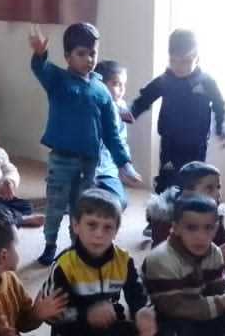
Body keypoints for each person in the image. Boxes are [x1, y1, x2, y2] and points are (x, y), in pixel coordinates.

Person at [43, 189, 183, 336]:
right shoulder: (64, 266)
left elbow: (138, 295)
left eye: (108, 227)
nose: (99, 234)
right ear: (76, 225)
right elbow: (52, 316)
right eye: (92, 225)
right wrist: (86, 315)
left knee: (169, 334)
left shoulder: (123, 260)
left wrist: (142, 313)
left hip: (112, 330)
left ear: (116, 231)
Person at [29, 23, 141, 266]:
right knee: (56, 204)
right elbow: (41, 69)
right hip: (62, 159)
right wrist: (40, 54)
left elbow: (112, 133)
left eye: (92, 53)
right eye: (81, 53)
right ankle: (50, 244)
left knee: (80, 206)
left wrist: (124, 163)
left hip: (89, 163)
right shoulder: (58, 79)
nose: (88, 59)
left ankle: (76, 247)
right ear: (68, 56)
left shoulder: (102, 91)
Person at [143, 194, 225, 336]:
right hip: (167, 314)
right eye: (191, 228)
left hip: (200, 306)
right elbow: (172, 308)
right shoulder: (161, 259)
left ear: (216, 228)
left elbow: (219, 285)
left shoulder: (214, 251)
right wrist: (224, 302)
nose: (201, 236)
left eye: (208, 228)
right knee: (176, 333)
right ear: (175, 228)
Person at [129, 29, 225, 194]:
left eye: (185, 61)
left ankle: (190, 206)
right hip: (170, 142)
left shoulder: (206, 82)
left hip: (196, 143)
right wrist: (130, 113)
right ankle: (162, 205)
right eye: (173, 61)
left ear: (197, 58)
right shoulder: (165, 80)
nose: (179, 66)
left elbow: (220, 106)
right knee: (167, 178)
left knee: (194, 179)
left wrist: (223, 129)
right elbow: (144, 99)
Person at [144, 161, 225, 267]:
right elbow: (170, 263)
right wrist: (217, 258)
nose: (218, 194)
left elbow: (223, 242)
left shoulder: (213, 213)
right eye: (209, 188)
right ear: (187, 192)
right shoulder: (166, 220)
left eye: (218, 187)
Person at [93, 60, 133, 210]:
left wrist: (125, 164)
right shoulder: (89, 104)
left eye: (124, 84)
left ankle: (95, 197)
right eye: (116, 84)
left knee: (120, 202)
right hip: (83, 169)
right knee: (70, 200)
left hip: (107, 170)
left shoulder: (121, 108)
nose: (122, 89)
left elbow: (121, 139)